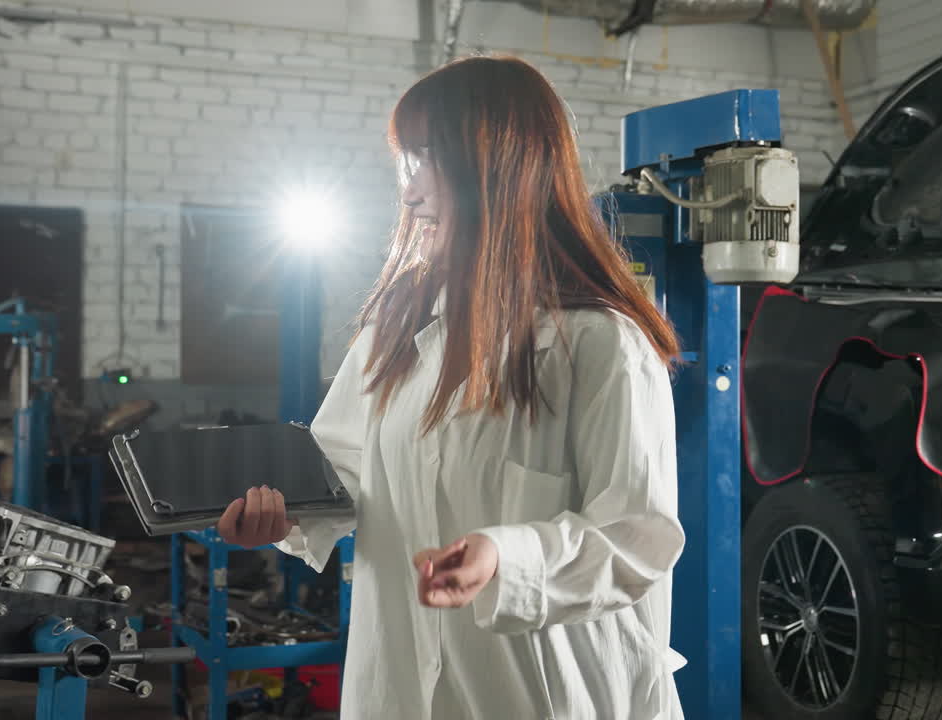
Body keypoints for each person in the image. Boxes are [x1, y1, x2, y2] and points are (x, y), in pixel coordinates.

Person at [216, 55, 686, 720]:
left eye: (427, 159)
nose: (409, 193)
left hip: (547, 699)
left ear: (501, 168)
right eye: (405, 163)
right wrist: (283, 515)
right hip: (400, 690)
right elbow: (344, 468)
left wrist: (507, 559)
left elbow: (635, 540)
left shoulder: (600, 344)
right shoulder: (395, 325)